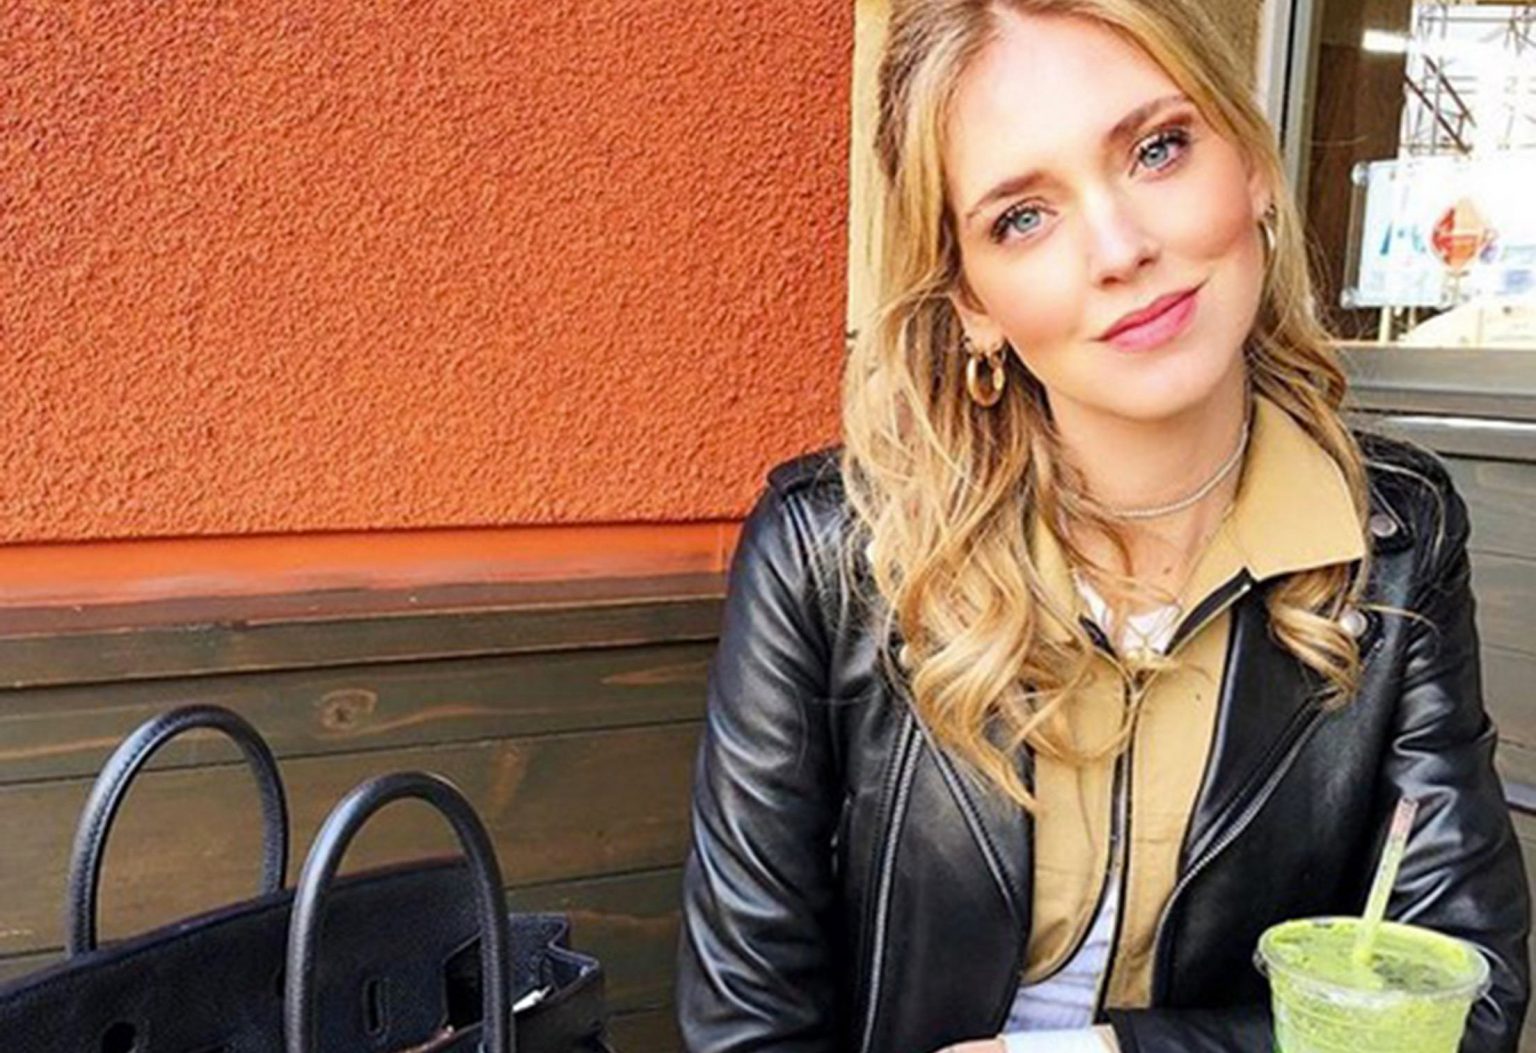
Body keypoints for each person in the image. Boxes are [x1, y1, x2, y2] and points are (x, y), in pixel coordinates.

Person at [675, 1, 1531, 1050]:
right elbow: (749, 1025)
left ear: (1254, 165)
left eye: (1158, 149)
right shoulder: (828, 555)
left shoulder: (1394, 536)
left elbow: (1462, 1000)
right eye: (1022, 217)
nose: (1121, 248)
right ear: (972, 301)